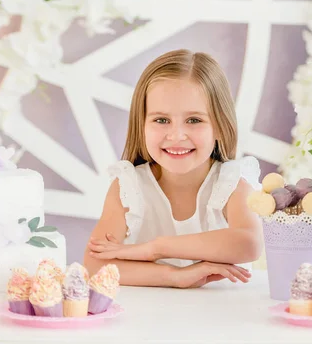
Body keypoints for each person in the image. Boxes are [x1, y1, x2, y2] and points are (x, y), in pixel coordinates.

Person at [83, 49, 264, 288]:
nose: (177, 135)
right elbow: (94, 266)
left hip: (221, 316)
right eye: (161, 120)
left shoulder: (231, 185)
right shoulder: (128, 187)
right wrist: (174, 276)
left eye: (194, 120)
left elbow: (249, 243)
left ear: (220, 126)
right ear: (142, 125)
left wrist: (156, 248)